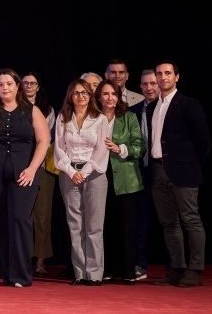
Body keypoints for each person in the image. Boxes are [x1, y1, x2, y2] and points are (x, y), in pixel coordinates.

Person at [0, 68, 50, 288]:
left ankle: (21, 274)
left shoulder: (31, 111)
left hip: (24, 176)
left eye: (9, 84)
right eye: (0, 84)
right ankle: (7, 274)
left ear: (17, 86)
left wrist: (32, 169)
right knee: (1, 223)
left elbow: (44, 141)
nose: (4, 88)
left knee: (19, 220)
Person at [149, 61, 211, 288]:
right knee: (168, 222)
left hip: (184, 171)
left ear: (177, 77)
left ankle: (195, 269)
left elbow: (203, 141)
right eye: (159, 73)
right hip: (158, 170)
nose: (163, 77)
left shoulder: (188, 105)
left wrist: (190, 165)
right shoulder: (153, 107)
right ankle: (176, 268)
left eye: (168, 73)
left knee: (190, 219)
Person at [54, 78, 110, 286]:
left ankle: (94, 273)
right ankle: (79, 272)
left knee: (94, 226)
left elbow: (101, 149)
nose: (80, 96)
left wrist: (84, 172)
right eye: (76, 93)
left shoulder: (100, 119)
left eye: (84, 92)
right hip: (69, 174)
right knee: (74, 224)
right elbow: (59, 149)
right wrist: (71, 171)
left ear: (90, 95)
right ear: (70, 96)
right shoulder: (63, 118)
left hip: (94, 173)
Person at [95, 81, 144, 284]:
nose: (110, 98)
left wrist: (120, 148)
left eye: (113, 94)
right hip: (98, 176)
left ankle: (127, 271)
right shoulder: (93, 117)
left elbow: (140, 147)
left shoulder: (129, 117)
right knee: (104, 225)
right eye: (105, 94)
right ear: (99, 97)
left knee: (126, 226)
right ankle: (106, 269)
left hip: (126, 179)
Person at [22, 71, 57, 278]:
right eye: (25, 83)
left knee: (42, 216)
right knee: (23, 216)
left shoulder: (48, 110)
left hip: (42, 168)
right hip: (19, 167)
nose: (28, 86)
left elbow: (46, 139)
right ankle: (23, 258)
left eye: (32, 83)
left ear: (38, 86)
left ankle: (41, 260)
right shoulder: (14, 107)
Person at [130, 68, 159, 281]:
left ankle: (178, 266)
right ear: (140, 87)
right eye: (145, 84)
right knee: (140, 220)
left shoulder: (168, 108)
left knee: (170, 220)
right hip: (139, 171)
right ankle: (140, 263)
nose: (149, 88)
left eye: (153, 83)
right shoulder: (133, 110)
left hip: (164, 171)